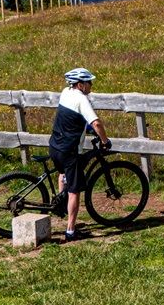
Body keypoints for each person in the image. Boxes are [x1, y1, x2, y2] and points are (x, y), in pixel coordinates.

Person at [49, 67, 111, 241]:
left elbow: (73, 117)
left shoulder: (65, 92)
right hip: (69, 151)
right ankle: (70, 231)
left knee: (63, 174)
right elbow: (97, 123)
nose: (91, 85)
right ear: (81, 84)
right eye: (89, 82)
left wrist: (86, 127)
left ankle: (61, 206)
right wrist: (105, 141)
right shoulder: (82, 99)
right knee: (75, 191)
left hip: (55, 145)